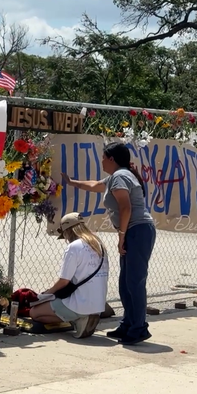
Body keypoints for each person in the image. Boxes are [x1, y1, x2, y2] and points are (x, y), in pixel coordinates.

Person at [61, 141, 156, 345]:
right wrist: (71, 182)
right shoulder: (116, 177)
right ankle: (128, 324)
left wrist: (121, 236)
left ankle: (139, 328)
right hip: (133, 231)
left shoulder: (120, 176)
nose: (102, 161)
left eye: (103, 157)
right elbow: (95, 185)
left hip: (137, 231)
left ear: (112, 159)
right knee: (125, 283)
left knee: (135, 282)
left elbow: (126, 208)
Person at [30, 212, 109, 339]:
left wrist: (45, 294)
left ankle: (77, 319)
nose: (66, 239)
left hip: (80, 304)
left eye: (65, 234)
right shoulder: (99, 244)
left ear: (68, 231)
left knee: (34, 312)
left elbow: (64, 281)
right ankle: (83, 316)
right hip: (99, 305)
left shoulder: (74, 247)